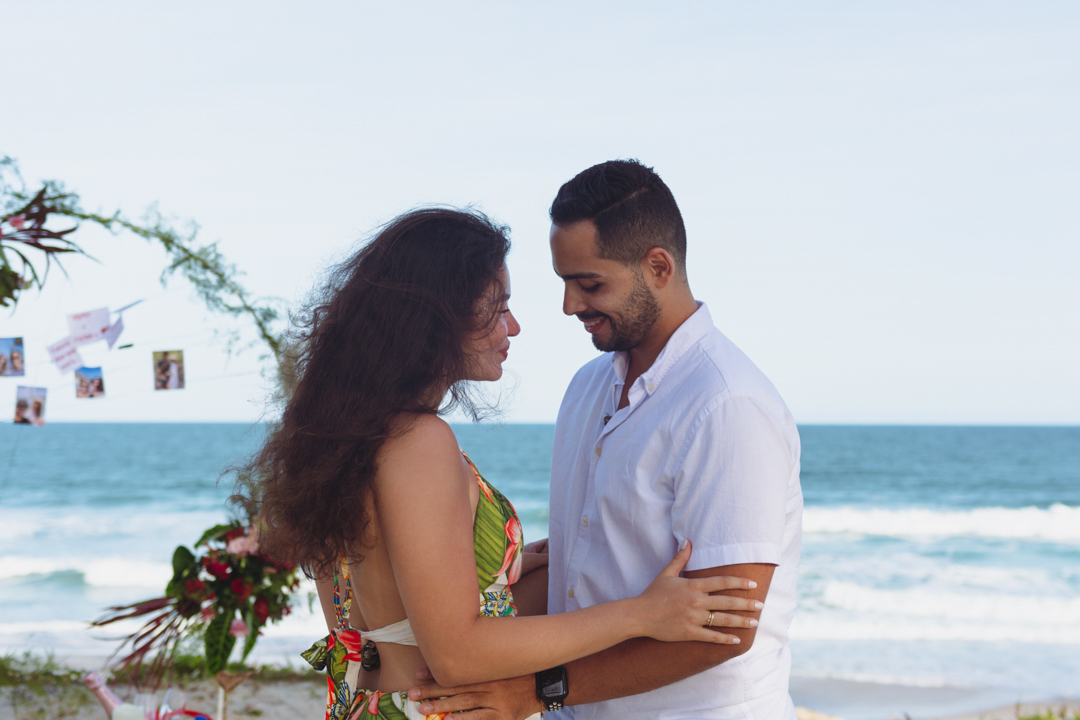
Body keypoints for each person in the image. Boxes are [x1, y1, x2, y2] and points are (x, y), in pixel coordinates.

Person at [245, 208, 761, 720]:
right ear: (436, 318)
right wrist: (642, 614)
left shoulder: (349, 439)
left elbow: (396, 606)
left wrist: (521, 567)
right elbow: (456, 654)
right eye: (497, 309)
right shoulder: (419, 442)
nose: (512, 326)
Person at [411, 161, 804, 719]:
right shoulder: (587, 388)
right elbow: (587, 578)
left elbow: (723, 628)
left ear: (658, 267)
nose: (570, 305)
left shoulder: (728, 405)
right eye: (564, 282)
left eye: (590, 283)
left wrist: (534, 691)